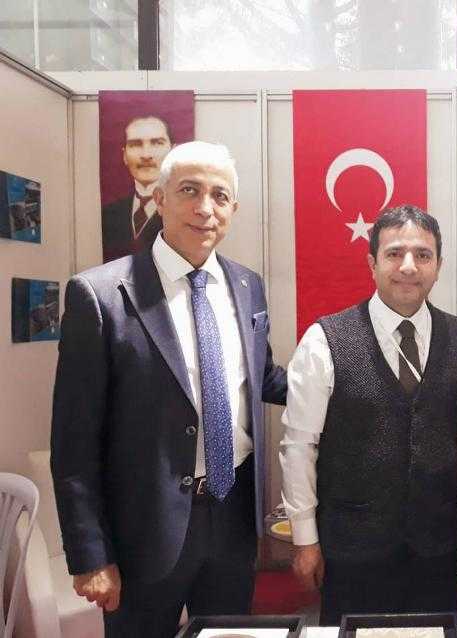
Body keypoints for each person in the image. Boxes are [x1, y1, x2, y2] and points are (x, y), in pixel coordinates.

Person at [52, 141, 287, 638]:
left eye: (219, 196)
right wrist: (90, 554)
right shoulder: (100, 295)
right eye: (189, 191)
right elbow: (74, 442)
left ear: (234, 209)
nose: (205, 208)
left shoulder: (248, 286)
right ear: (160, 198)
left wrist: (342, 379)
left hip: (232, 519)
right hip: (143, 531)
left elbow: (261, 377)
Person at [280, 205, 457, 625]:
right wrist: (305, 539)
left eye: (423, 255)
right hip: (351, 549)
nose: (409, 266)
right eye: (394, 253)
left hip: (435, 548)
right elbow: (300, 445)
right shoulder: (324, 340)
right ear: (372, 263)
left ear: (438, 266)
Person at [101, 115, 173, 262]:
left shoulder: (183, 211)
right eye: (135, 144)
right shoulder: (108, 214)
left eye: (157, 143)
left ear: (173, 152)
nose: (146, 155)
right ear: (124, 156)